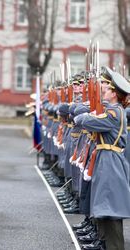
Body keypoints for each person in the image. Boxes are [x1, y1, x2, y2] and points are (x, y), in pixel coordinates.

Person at [74, 67, 130, 250]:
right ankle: (104, 243)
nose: (103, 91)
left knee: (110, 208)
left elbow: (85, 120)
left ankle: (113, 246)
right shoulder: (114, 110)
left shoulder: (114, 113)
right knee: (103, 204)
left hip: (111, 161)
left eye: (107, 88)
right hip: (106, 159)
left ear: (114, 93)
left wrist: (85, 115)